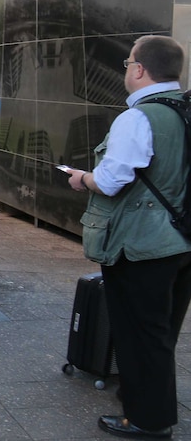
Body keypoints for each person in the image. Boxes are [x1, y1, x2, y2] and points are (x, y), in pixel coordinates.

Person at [67, 35, 191, 439]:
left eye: (128, 63)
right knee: (161, 329)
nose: (127, 70)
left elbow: (111, 180)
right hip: (181, 239)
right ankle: (149, 403)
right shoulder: (185, 109)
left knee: (141, 333)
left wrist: (83, 178)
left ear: (139, 69)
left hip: (141, 244)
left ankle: (148, 421)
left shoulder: (139, 117)